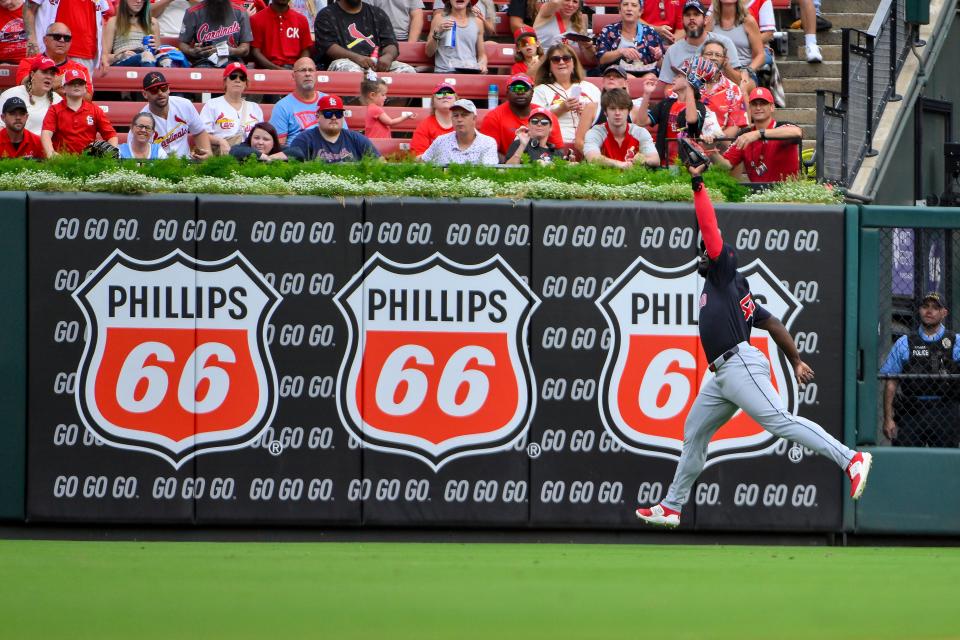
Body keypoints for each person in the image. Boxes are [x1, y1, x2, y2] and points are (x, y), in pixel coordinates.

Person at [635, 161, 874, 528]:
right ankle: (672, 505)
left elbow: (711, 230)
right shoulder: (732, 290)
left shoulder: (722, 271)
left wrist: (698, 185)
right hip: (721, 375)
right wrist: (794, 359)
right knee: (694, 434)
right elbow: (773, 323)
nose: (702, 253)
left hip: (739, 363)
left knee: (779, 421)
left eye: (706, 250)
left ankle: (849, 459)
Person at [880, 292, 960, 448]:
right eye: (925, 306)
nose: (929, 311)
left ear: (944, 313)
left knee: (944, 463)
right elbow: (891, 383)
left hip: (946, 410)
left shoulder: (956, 341)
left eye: (935, 308)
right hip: (911, 411)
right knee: (906, 461)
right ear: (919, 310)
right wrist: (888, 418)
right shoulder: (904, 342)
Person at [635, 58, 723, 166]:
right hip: (663, 162)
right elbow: (641, 121)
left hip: (687, 165)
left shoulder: (699, 106)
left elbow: (691, 120)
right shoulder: (666, 103)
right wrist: (647, 94)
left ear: (690, 81)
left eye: (679, 76)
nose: (674, 78)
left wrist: (690, 88)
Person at [706, 86, 800, 182]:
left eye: (763, 103)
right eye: (754, 104)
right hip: (757, 194)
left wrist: (758, 134)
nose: (758, 107)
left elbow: (797, 132)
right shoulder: (744, 135)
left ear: (772, 107)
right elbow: (726, 166)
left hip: (786, 194)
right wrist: (711, 151)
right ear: (750, 108)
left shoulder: (782, 126)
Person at [313, 0, 414, 73]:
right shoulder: (326, 15)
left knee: (407, 71)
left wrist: (387, 57)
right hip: (344, 63)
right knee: (351, 71)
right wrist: (357, 58)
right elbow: (328, 47)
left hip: (377, 64)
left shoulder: (377, 13)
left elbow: (390, 43)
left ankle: (386, 103)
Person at [658, 0, 741, 88]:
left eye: (696, 14)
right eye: (687, 15)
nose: (691, 18)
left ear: (705, 20)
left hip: (719, 97)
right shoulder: (672, 51)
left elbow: (738, 81)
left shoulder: (724, 42)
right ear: (682, 21)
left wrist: (725, 64)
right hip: (686, 99)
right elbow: (667, 88)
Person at [480, 73, 562, 161]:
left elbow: (558, 150)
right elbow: (487, 151)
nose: (520, 92)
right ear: (507, 92)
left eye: (525, 88)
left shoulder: (546, 117)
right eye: (515, 88)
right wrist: (512, 166)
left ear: (532, 92)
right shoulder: (493, 117)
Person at [532, 42, 600, 144]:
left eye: (566, 58)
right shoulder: (540, 90)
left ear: (574, 63)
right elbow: (535, 122)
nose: (561, 62)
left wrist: (588, 113)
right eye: (556, 59)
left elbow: (604, 119)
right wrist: (561, 109)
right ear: (549, 66)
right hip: (555, 146)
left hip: (589, 145)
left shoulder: (590, 88)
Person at [40, 68, 117, 156]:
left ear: (85, 88)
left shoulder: (95, 110)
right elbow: (46, 134)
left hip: (88, 161)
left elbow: (111, 135)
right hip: (62, 161)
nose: (76, 85)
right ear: (63, 88)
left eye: (80, 83)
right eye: (72, 83)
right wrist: (52, 154)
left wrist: (111, 154)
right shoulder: (54, 109)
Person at [139, 71, 212, 159]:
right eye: (154, 90)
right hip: (158, 166)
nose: (160, 93)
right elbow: (139, 155)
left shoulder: (184, 104)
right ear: (145, 94)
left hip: (187, 163)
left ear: (168, 89)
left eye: (164, 88)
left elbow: (199, 131)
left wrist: (207, 154)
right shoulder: (141, 121)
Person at [23, 0, 108, 74]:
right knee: (47, 90)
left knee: (80, 91)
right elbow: (29, 9)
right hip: (50, 50)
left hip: (85, 52)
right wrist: (32, 40)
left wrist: (104, 54)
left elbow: (101, 19)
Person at [287, 94, 380, 161]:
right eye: (328, 113)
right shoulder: (304, 140)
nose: (334, 117)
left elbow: (380, 163)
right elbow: (294, 169)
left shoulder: (357, 138)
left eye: (338, 113)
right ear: (318, 116)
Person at [583, 88, 658, 168]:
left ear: (628, 111)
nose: (617, 113)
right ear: (605, 112)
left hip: (634, 179)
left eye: (622, 108)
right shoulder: (595, 132)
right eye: (612, 109)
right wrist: (620, 164)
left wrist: (644, 160)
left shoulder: (640, 132)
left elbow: (655, 160)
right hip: (604, 178)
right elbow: (592, 158)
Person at [270, 57, 337, 145]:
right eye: (302, 70)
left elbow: (342, 135)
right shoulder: (282, 107)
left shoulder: (330, 101)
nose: (307, 74)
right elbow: (279, 145)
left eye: (311, 70)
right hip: (297, 154)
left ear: (316, 74)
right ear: (293, 76)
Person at [16, 23, 93, 99]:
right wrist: (66, 81)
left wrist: (44, 86)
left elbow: (87, 97)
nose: (62, 40)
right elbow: (26, 87)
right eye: (57, 36)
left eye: (67, 38)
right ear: (45, 40)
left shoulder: (80, 68)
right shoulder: (29, 62)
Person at [201, 62, 264, 154]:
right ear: (225, 81)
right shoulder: (212, 104)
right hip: (224, 154)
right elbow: (203, 134)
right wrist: (220, 141)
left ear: (246, 84)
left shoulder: (255, 107)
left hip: (251, 154)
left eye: (242, 78)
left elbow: (261, 135)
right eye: (233, 76)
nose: (237, 80)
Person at [594, 0, 664, 76]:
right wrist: (621, 52)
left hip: (647, 75)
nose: (629, 8)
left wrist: (658, 57)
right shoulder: (609, 30)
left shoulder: (650, 32)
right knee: (628, 78)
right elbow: (601, 59)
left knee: (650, 77)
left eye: (634, 5)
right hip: (616, 75)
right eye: (625, 4)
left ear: (640, 11)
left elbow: (662, 66)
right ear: (620, 10)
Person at [420, 98, 498, 165]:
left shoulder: (487, 143)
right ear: (451, 118)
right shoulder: (440, 141)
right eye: (455, 115)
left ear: (474, 118)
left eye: (464, 115)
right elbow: (422, 163)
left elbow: (488, 174)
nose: (459, 119)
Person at [178, 0, 253, 68]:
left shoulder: (240, 12)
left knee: (237, 75)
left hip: (233, 60)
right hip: (203, 61)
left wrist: (229, 51)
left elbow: (245, 49)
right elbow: (183, 43)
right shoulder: (193, 12)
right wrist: (192, 51)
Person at [708, 0, 762, 93]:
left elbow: (761, 55)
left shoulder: (748, 21)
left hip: (743, 71)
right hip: (717, 72)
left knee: (741, 87)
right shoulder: (711, 20)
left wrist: (747, 71)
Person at [0, 55, 61, 135]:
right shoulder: (11, 95)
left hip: (46, 146)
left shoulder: (58, 100)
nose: (49, 77)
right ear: (32, 74)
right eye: (44, 72)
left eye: (52, 74)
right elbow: (1, 127)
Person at [697, 39, 746, 140]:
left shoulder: (733, 90)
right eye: (709, 53)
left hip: (719, 145)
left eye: (718, 55)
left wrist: (715, 140)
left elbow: (734, 126)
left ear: (725, 60)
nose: (713, 58)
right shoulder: (688, 84)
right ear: (701, 57)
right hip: (689, 142)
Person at [425, 0, 486, 74]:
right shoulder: (439, 19)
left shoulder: (478, 22)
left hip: (470, 72)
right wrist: (438, 32)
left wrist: (483, 64)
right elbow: (429, 52)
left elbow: (482, 56)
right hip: (445, 71)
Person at [250, 0, 313, 69]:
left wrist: (298, 68)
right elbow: (255, 52)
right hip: (267, 70)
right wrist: (278, 70)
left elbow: (306, 50)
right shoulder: (256, 19)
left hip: (295, 69)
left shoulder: (301, 19)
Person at [533, 0, 595, 66]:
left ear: (578, 6)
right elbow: (554, 2)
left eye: (575, 2)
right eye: (567, 0)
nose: (570, 4)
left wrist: (589, 47)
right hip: (541, 64)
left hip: (565, 65)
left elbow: (589, 58)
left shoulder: (579, 21)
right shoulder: (547, 12)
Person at [100, 0, 160, 68]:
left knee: (164, 59)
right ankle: (151, 77)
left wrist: (155, 48)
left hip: (147, 57)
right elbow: (104, 57)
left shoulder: (152, 22)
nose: (139, 1)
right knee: (146, 56)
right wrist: (120, 56)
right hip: (123, 63)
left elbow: (158, 52)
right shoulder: (114, 22)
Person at [410, 81, 455, 156]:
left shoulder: (463, 124)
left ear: (456, 99)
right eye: (440, 94)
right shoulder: (424, 126)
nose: (445, 96)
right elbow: (418, 157)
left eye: (449, 93)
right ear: (433, 101)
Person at [0, 0, 28, 64]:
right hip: (4, 62)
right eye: (2, 1)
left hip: (32, 60)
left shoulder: (32, 8)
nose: (7, 4)